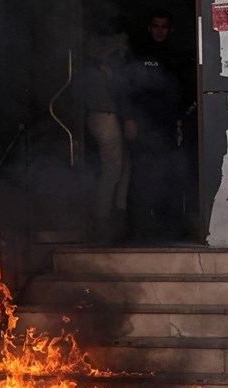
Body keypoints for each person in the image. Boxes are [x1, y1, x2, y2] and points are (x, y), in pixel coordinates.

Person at [120, 9, 186, 242]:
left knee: (166, 174)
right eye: (156, 26)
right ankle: (136, 228)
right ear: (150, 28)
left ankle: (165, 227)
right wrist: (128, 118)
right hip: (141, 124)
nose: (159, 31)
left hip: (166, 125)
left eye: (164, 27)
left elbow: (178, 91)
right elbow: (124, 88)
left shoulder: (173, 56)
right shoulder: (136, 53)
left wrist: (179, 120)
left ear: (170, 29)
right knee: (140, 176)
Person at [80, 21, 132, 244]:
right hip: (106, 116)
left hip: (102, 115)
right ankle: (104, 223)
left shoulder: (93, 58)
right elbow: (121, 90)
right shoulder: (114, 56)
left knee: (122, 167)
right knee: (113, 170)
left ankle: (117, 218)